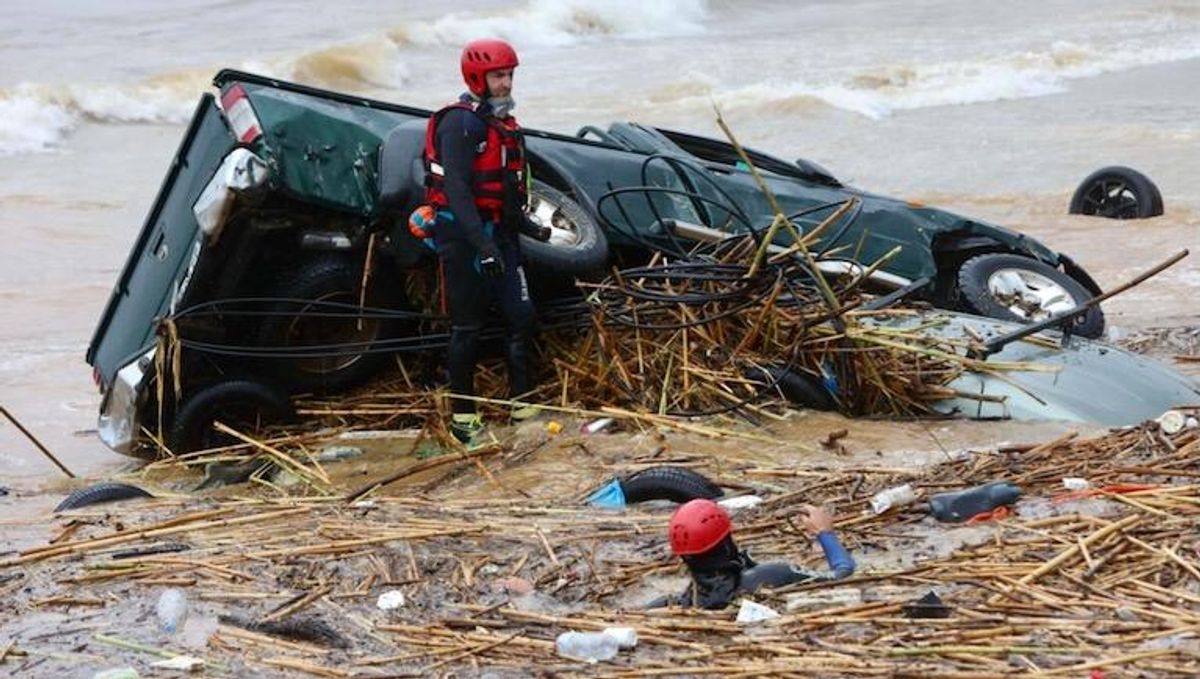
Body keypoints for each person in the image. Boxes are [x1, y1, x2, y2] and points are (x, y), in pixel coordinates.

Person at [422, 38, 552, 443]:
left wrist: (530, 227)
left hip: (502, 234)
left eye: (509, 75)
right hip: (465, 237)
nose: (506, 83)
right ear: (477, 78)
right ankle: (464, 417)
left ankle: (521, 402)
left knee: (521, 316)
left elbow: (508, 189)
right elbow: (458, 191)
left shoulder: (504, 124)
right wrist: (483, 246)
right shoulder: (460, 124)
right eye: (498, 76)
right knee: (468, 327)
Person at [648, 499, 855, 610]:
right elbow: (843, 574)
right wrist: (825, 533)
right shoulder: (771, 575)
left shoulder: (671, 605)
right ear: (727, 540)